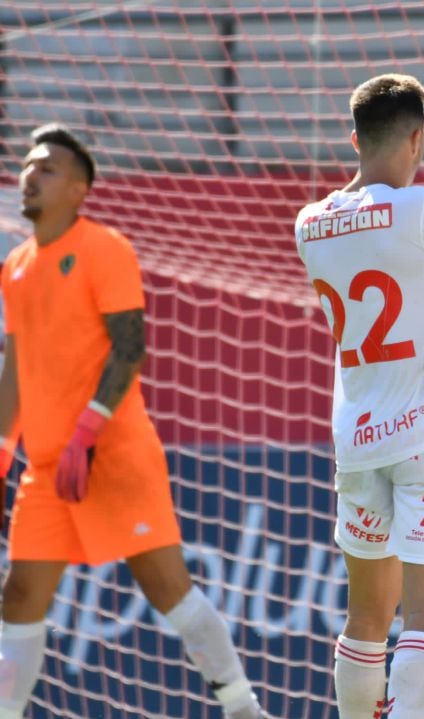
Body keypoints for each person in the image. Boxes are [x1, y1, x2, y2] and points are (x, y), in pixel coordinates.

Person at [0, 124, 265, 718]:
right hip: (46, 468)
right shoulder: (14, 265)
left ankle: (242, 707)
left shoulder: (105, 248)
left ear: (78, 189)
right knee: (18, 596)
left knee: (168, 591)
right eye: (27, 165)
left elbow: (130, 348)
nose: (30, 174)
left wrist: (86, 434)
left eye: (46, 168)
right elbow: (14, 370)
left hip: (112, 455)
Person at [294, 75, 424, 718]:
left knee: (364, 621)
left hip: (357, 439)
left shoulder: (310, 223)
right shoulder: (421, 207)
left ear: (354, 140)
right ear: (417, 140)